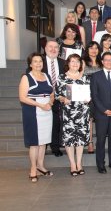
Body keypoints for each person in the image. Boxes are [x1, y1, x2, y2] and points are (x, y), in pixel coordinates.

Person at [19, 53, 54, 183]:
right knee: (34, 142)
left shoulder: (47, 76)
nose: (38, 64)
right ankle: (33, 168)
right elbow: (23, 97)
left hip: (46, 111)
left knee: (43, 141)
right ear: (30, 64)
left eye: (40, 61)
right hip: (33, 111)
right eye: (35, 61)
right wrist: (40, 105)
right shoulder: (26, 78)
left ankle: (40, 166)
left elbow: (51, 94)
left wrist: (50, 103)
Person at [55, 54, 90, 176]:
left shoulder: (85, 78)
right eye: (72, 61)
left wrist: (88, 98)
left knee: (80, 139)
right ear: (68, 63)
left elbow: (89, 94)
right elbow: (56, 95)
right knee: (69, 139)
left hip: (82, 112)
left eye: (77, 62)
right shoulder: (61, 78)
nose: (75, 64)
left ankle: (79, 163)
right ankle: (72, 164)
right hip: (68, 112)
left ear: (81, 64)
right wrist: (63, 98)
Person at [41, 40, 65, 157]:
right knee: (44, 123)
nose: (53, 49)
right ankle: (42, 146)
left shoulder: (63, 63)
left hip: (58, 98)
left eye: (56, 47)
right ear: (45, 48)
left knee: (56, 122)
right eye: (50, 47)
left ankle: (55, 146)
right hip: (43, 99)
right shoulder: (39, 62)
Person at [82, 41, 103, 154]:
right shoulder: (83, 62)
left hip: (100, 95)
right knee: (89, 119)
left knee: (100, 119)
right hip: (88, 95)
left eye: (96, 48)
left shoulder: (102, 62)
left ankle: (100, 141)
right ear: (87, 50)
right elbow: (80, 78)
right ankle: (90, 142)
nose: (94, 50)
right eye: (91, 48)